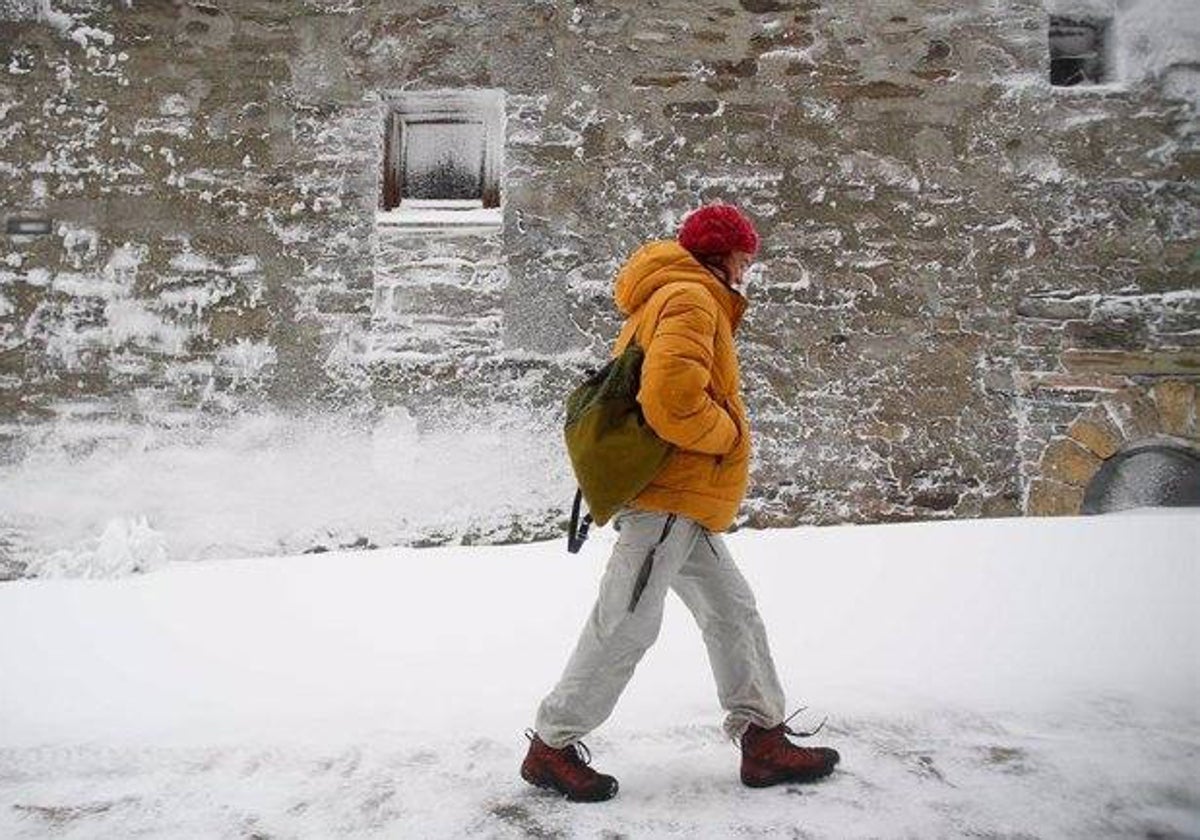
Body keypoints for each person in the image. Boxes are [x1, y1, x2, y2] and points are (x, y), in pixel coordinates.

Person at [520, 203, 841, 802]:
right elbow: (670, 400)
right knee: (626, 622)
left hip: (682, 503)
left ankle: (763, 739)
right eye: (745, 258)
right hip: (667, 500)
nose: (749, 270)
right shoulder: (692, 299)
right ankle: (551, 746)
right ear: (723, 257)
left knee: (733, 611)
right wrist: (729, 434)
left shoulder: (676, 295)